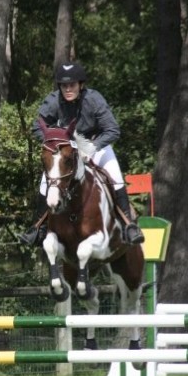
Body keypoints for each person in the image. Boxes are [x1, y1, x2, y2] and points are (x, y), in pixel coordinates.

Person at [18, 61, 145, 246]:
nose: (68, 89)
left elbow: (112, 130)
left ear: (81, 85)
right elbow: (37, 127)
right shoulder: (53, 100)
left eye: (72, 85)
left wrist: (92, 147)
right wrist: (55, 141)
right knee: (47, 181)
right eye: (64, 85)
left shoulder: (94, 99)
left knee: (115, 177)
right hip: (67, 148)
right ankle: (38, 228)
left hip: (95, 144)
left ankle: (129, 226)